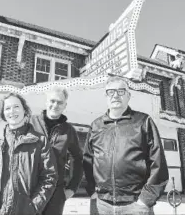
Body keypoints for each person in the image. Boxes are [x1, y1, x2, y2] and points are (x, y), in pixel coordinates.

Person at [83, 76, 169, 215]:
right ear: (106, 96)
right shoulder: (96, 126)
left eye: (121, 91)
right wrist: (92, 191)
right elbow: (88, 161)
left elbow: (158, 163)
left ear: (128, 96)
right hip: (101, 204)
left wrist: (146, 199)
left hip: (135, 204)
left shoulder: (143, 122)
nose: (115, 95)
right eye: (111, 92)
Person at [0, 93, 57, 215]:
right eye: (7, 108)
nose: (12, 111)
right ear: (3, 113)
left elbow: (49, 177)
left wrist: (33, 207)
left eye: (16, 106)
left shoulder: (40, 141)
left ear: (24, 110)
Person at [30, 86, 83, 215]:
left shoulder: (69, 130)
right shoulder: (30, 124)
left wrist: (72, 188)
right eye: (52, 101)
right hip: (29, 189)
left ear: (65, 105)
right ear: (46, 102)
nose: (55, 105)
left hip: (55, 194)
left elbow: (78, 159)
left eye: (60, 102)